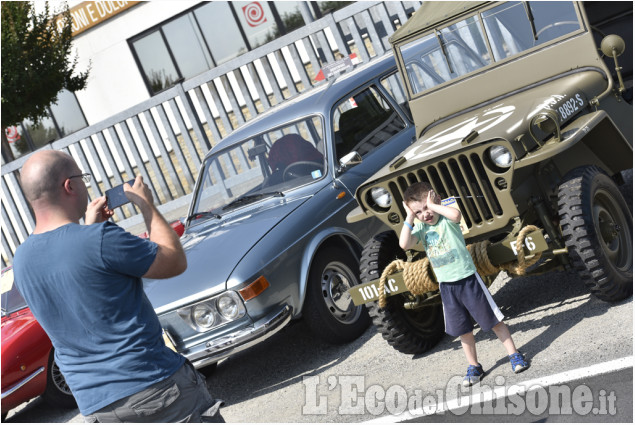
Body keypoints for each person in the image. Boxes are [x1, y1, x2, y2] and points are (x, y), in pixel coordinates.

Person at [13, 150, 224, 422]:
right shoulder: (100, 239)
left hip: (97, 408)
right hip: (154, 387)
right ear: (70, 185)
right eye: (83, 179)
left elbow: (80, 290)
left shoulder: (22, 261)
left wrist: (89, 228)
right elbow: (174, 261)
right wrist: (146, 205)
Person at [399, 181, 529, 386]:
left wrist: (433, 206)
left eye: (427, 207)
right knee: (463, 330)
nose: (425, 214)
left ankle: (514, 354)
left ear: (436, 200)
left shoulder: (445, 219)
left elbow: (456, 216)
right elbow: (404, 244)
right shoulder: (421, 228)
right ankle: (474, 365)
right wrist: (409, 217)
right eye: (419, 212)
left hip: (468, 280)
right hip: (447, 287)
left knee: (493, 321)